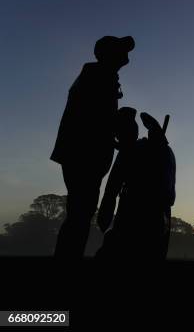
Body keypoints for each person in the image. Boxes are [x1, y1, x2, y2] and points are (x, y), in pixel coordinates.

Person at [52, 36, 134, 259]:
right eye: (121, 50)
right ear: (109, 54)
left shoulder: (99, 75)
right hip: (84, 155)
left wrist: (114, 133)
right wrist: (120, 126)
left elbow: (97, 120)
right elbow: (95, 119)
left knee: (81, 212)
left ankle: (68, 258)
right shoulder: (100, 77)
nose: (127, 55)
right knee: (80, 213)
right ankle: (67, 262)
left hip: (81, 153)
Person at [96, 111, 176, 259]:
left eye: (118, 134)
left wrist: (105, 216)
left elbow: (111, 189)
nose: (117, 139)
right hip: (159, 217)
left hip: (138, 213)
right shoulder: (165, 151)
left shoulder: (131, 151)